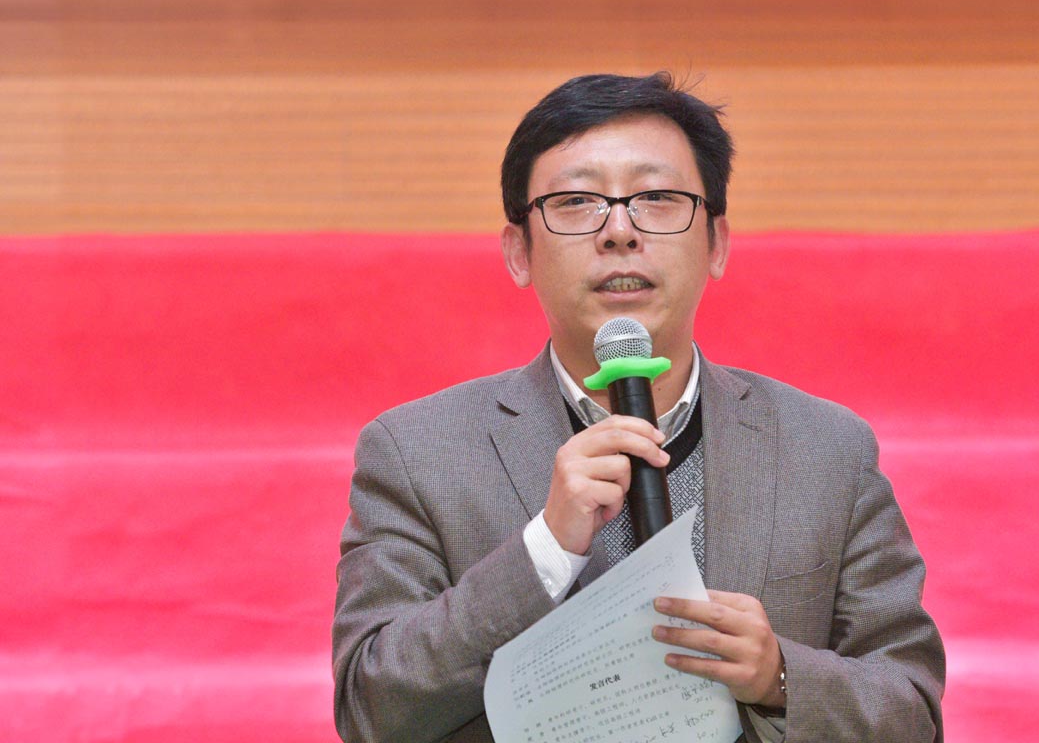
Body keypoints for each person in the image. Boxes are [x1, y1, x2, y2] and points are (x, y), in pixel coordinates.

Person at [332, 72, 945, 743]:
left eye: (657, 198)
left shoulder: (826, 448)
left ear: (716, 244)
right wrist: (544, 551)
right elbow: (370, 709)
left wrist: (780, 677)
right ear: (519, 252)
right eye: (576, 202)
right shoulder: (416, 453)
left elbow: (912, 708)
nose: (620, 231)